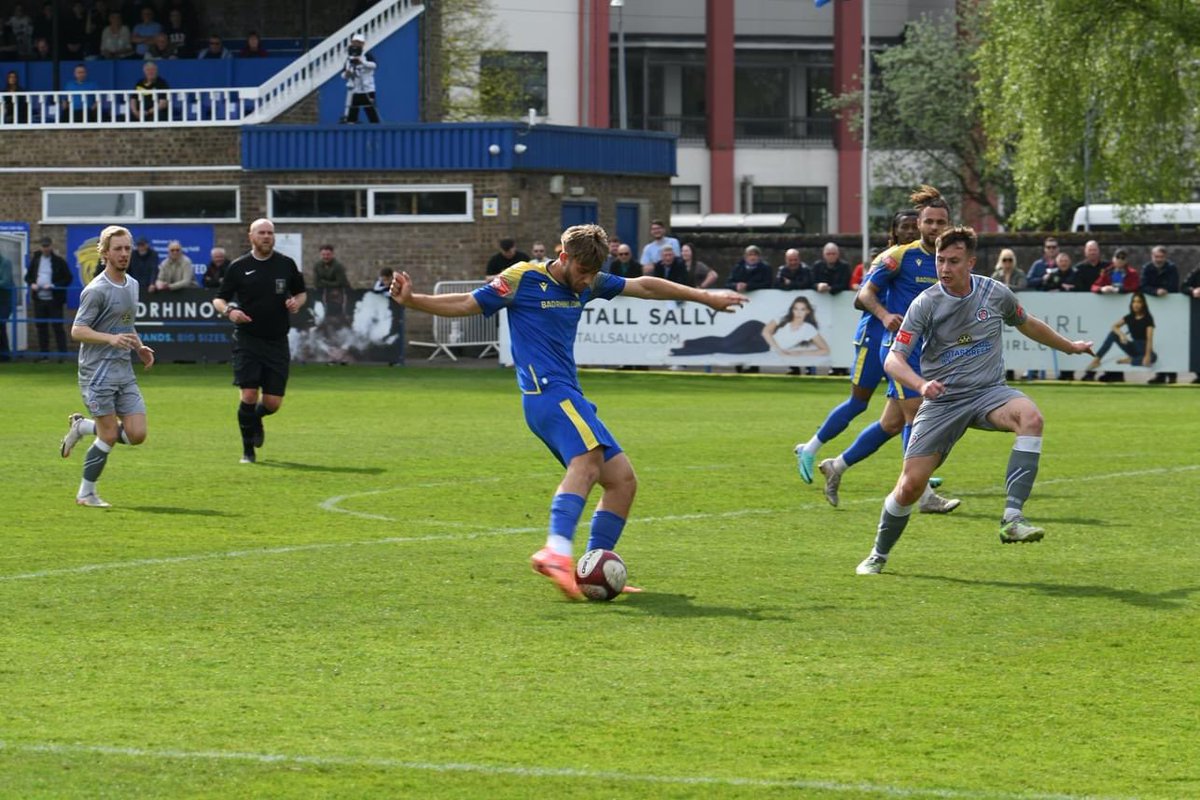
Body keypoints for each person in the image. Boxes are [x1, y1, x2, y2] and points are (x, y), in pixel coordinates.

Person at [387, 223, 748, 599]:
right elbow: (468, 303)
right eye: (581, 271)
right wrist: (414, 301)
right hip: (546, 393)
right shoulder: (522, 277)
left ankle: (590, 570)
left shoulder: (589, 280)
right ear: (563, 257)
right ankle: (555, 550)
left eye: (593, 274)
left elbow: (644, 285)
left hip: (567, 394)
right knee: (588, 460)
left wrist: (705, 297)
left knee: (622, 480)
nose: (587, 281)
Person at [854, 225, 1094, 574]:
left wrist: (1069, 346)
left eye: (953, 261)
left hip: (988, 393)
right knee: (909, 487)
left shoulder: (994, 292)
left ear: (971, 262)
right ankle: (879, 553)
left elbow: (1027, 323)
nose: (945, 268)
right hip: (942, 401)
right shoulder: (925, 304)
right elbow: (893, 359)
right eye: (940, 260)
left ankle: (1012, 518)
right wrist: (921, 386)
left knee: (1031, 418)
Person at [814, 187, 959, 514]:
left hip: (929, 351)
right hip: (899, 351)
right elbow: (864, 295)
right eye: (930, 222)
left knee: (891, 424)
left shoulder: (950, 259)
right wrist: (884, 315)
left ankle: (837, 466)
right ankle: (921, 495)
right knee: (919, 415)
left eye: (941, 222)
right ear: (919, 223)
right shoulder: (899, 256)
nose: (935, 227)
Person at [794, 210, 918, 481]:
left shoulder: (923, 260)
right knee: (860, 402)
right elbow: (860, 299)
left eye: (914, 226)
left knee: (904, 412)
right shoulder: (890, 258)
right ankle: (810, 448)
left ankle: (916, 471)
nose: (911, 231)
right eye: (905, 227)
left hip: (902, 343)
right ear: (895, 232)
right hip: (874, 338)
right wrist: (886, 315)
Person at [58, 225, 155, 508]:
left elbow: (126, 324)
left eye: (127, 248)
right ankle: (86, 493)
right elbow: (77, 330)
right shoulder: (96, 290)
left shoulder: (133, 285)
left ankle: (81, 426)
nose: (124, 254)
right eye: (118, 249)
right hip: (96, 373)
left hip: (123, 370)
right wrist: (110, 339)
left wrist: (140, 347)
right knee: (110, 434)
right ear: (104, 252)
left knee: (137, 434)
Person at [213, 219, 307, 464]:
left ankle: (255, 418)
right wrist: (230, 312)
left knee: (273, 403)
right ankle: (248, 452)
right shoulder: (238, 266)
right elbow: (219, 299)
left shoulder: (286, 264)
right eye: (262, 233)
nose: (267, 237)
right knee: (249, 394)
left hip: (277, 340)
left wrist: (297, 302)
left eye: (270, 233)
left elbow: (301, 292)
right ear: (251, 236)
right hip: (248, 340)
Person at [668, 296, 828, 359]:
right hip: (757, 329)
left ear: (807, 311)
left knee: (724, 348)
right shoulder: (783, 317)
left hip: (763, 346)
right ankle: (679, 349)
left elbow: (824, 349)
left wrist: (798, 352)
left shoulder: (808, 329)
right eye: (796, 308)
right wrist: (779, 349)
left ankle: (684, 346)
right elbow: (766, 331)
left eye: (802, 309)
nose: (798, 312)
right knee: (726, 343)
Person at [1081, 291, 1156, 382]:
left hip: (1143, 347)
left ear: (1143, 304)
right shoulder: (1129, 317)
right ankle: (1097, 359)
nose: (1136, 304)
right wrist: (1122, 335)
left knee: (1153, 358)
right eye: (1134, 302)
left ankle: (1130, 360)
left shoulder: (1148, 318)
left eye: (1139, 302)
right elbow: (1114, 326)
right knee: (1112, 334)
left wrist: (1147, 355)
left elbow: (1149, 338)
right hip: (1133, 346)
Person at [24, 236, 73, 359]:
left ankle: (62, 355)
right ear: (41, 247)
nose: (45, 248)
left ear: (51, 246)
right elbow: (28, 277)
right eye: (43, 246)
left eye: (47, 246)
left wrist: (53, 286)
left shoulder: (59, 261)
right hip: (39, 300)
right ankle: (44, 354)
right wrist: (32, 284)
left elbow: (68, 278)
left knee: (57, 326)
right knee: (41, 327)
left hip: (54, 300)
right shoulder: (35, 261)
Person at [1141, 246, 1179, 383]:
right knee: (1157, 342)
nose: (1159, 259)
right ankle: (1160, 374)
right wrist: (1155, 291)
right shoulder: (1147, 268)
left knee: (1170, 341)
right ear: (1152, 257)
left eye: (1161, 257)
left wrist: (1165, 290)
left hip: (1169, 310)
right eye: (1156, 257)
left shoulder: (1172, 268)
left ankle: (1172, 374)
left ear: (1165, 257)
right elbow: (1143, 286)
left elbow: (1174, 286)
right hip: (1152, 310)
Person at [340, 33, 379, 123]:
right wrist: (347, 74)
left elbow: (374, 65)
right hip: (355, 90)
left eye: (359, 42)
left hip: (367, 89)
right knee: (352, 115)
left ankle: (376, 130)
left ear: (363, 44)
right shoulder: (349, 58)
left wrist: (362, 62)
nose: (356, 44)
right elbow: (343, 74)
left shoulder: (367, 55)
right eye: (354, 42)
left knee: (371, 113)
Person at [0, 249, 14, 360]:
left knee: (1, 325)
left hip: (4, 301)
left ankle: (5, 355)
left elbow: (6, 282)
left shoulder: (5, 263)